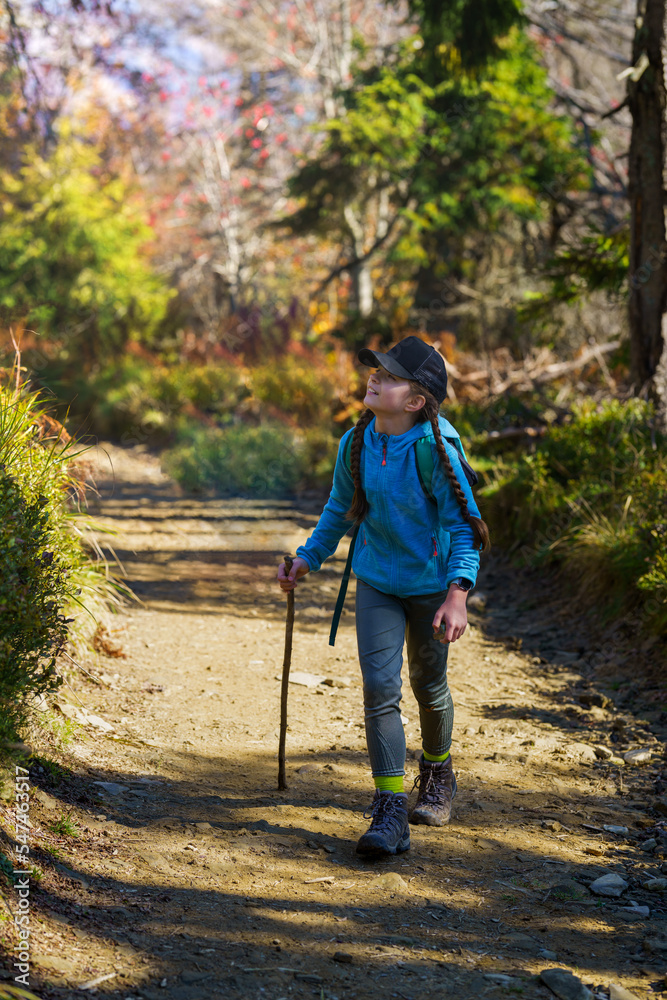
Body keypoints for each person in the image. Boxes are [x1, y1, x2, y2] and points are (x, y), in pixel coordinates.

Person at [277, 336, 489, 857]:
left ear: (416, 401)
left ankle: (438, 771)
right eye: (375, 369)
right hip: (376, 581)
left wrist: (457, 593)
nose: (375, 377)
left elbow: (464, 528)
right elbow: (338, 510)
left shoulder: (432, 450)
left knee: (429, 685)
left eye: (389, 376)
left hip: (432, 586)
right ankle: (390, 807)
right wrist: (307, 558)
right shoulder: (357, 443)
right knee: (379, 688)